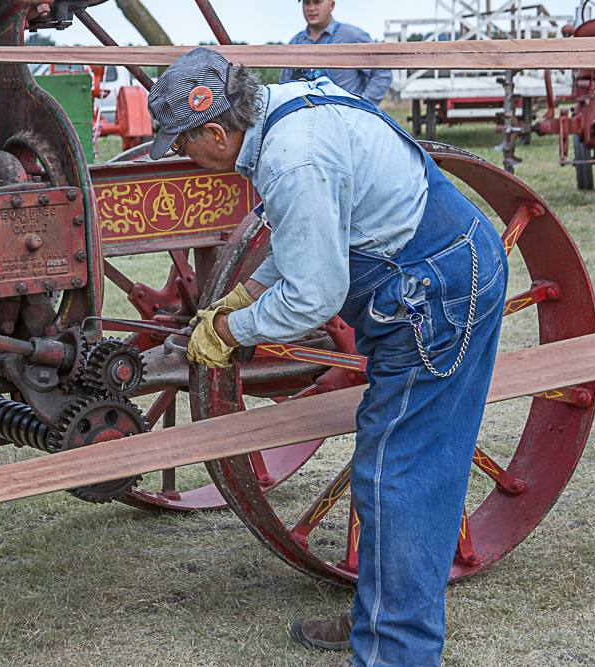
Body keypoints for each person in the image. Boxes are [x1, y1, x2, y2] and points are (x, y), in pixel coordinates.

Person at [147, 48, 508, 667]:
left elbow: (314, 297)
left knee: (403, 476)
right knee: (388, 464)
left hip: (436, 294)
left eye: (183, 142)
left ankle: (394, 653)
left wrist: (232, 328)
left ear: (215, 130)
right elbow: (314, 234)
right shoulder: (287, 112)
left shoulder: (294, 159)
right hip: (434, 272)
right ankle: (381, 619)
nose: (183, 155)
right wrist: (250, 291)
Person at [279, 0, 392, 105]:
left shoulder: (352, 37)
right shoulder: (295, 43)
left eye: (317, 2)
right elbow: (285, 88)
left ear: (331, 5)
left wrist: (362, 107)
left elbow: (382, 72)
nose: (311, 8)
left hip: (346, 122)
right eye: (306, 3)